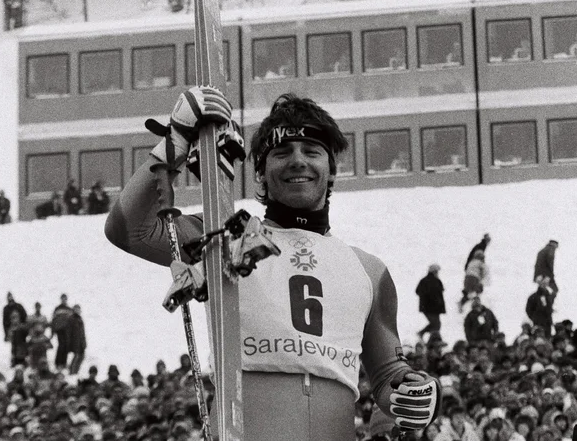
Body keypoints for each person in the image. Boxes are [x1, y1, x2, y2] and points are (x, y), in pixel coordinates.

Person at [104, 88, 442, 438]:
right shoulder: (224, 238)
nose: (298, 161)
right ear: (261, 173)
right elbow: (130, 230)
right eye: (282, 153)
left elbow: (388, 375)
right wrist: (175, 143)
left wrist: (416, 392)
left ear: (331, 170)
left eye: (312, 151)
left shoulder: (368, 270)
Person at [417, 264, 445, 339]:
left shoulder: (424, 280)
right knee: (436, 324)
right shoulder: (436, 281)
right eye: (437, 271)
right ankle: (433, 340)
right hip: (433, 308)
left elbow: (417, 291)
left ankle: (422, 334)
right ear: (434, 272)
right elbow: (438, 295)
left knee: (436, 324)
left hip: (427, 307)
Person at [51, 294, 74, 371]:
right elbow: (53, 320)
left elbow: (72, 321)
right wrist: (52, 331)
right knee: (61, 345)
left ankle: (64, 363)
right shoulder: (57, 309)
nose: (64, 300)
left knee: (66, 346)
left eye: (65, 299)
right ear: (61, 299)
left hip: (67, 330)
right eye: (62, 299)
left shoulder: (69, 309)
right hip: (59, 329)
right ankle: (58, 363)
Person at [68, 304, 87, 374]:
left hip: (81, 341)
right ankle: (72, 372)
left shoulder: (80, 319)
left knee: (82, 356)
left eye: (78, 309)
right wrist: (70, 342)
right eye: (76, 309)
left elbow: (83, 332)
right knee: (76, 356)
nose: (78, 311)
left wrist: (84, 342)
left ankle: (76, 371)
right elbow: (69, 332)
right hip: (75, 342)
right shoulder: (71, 318)